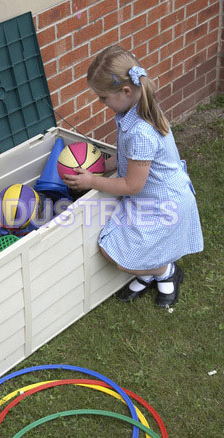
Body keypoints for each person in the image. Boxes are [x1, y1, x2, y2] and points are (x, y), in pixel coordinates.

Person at [63, 45, 203, 307]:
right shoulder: (133, 112)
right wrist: (105, 165)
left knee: (110, 251)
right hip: (153, 197)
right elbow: (132, 159)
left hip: (164, 205)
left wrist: (91, 181)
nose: (102, 103)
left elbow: (133, 184)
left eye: (103, 98)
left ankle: (165, 271)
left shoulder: (141, 131)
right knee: (121, 247)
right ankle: (151, 272)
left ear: (126, 91)